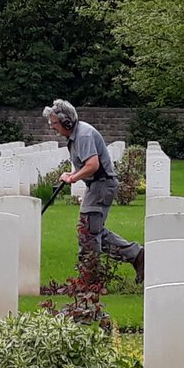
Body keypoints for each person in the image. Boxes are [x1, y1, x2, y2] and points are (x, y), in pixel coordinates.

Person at [43, 98, 144, 282]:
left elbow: (93, 165)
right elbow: (85, 164)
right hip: (97, 185)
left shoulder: (84, 135)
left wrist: (73, 178)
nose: (52, 127)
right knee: (93, 230)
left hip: (102, 184)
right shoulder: (76, 135)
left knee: (87, 231)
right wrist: (72, 173)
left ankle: (89, 279)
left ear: (67, 121)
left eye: (54, 123)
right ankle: (137, 255)